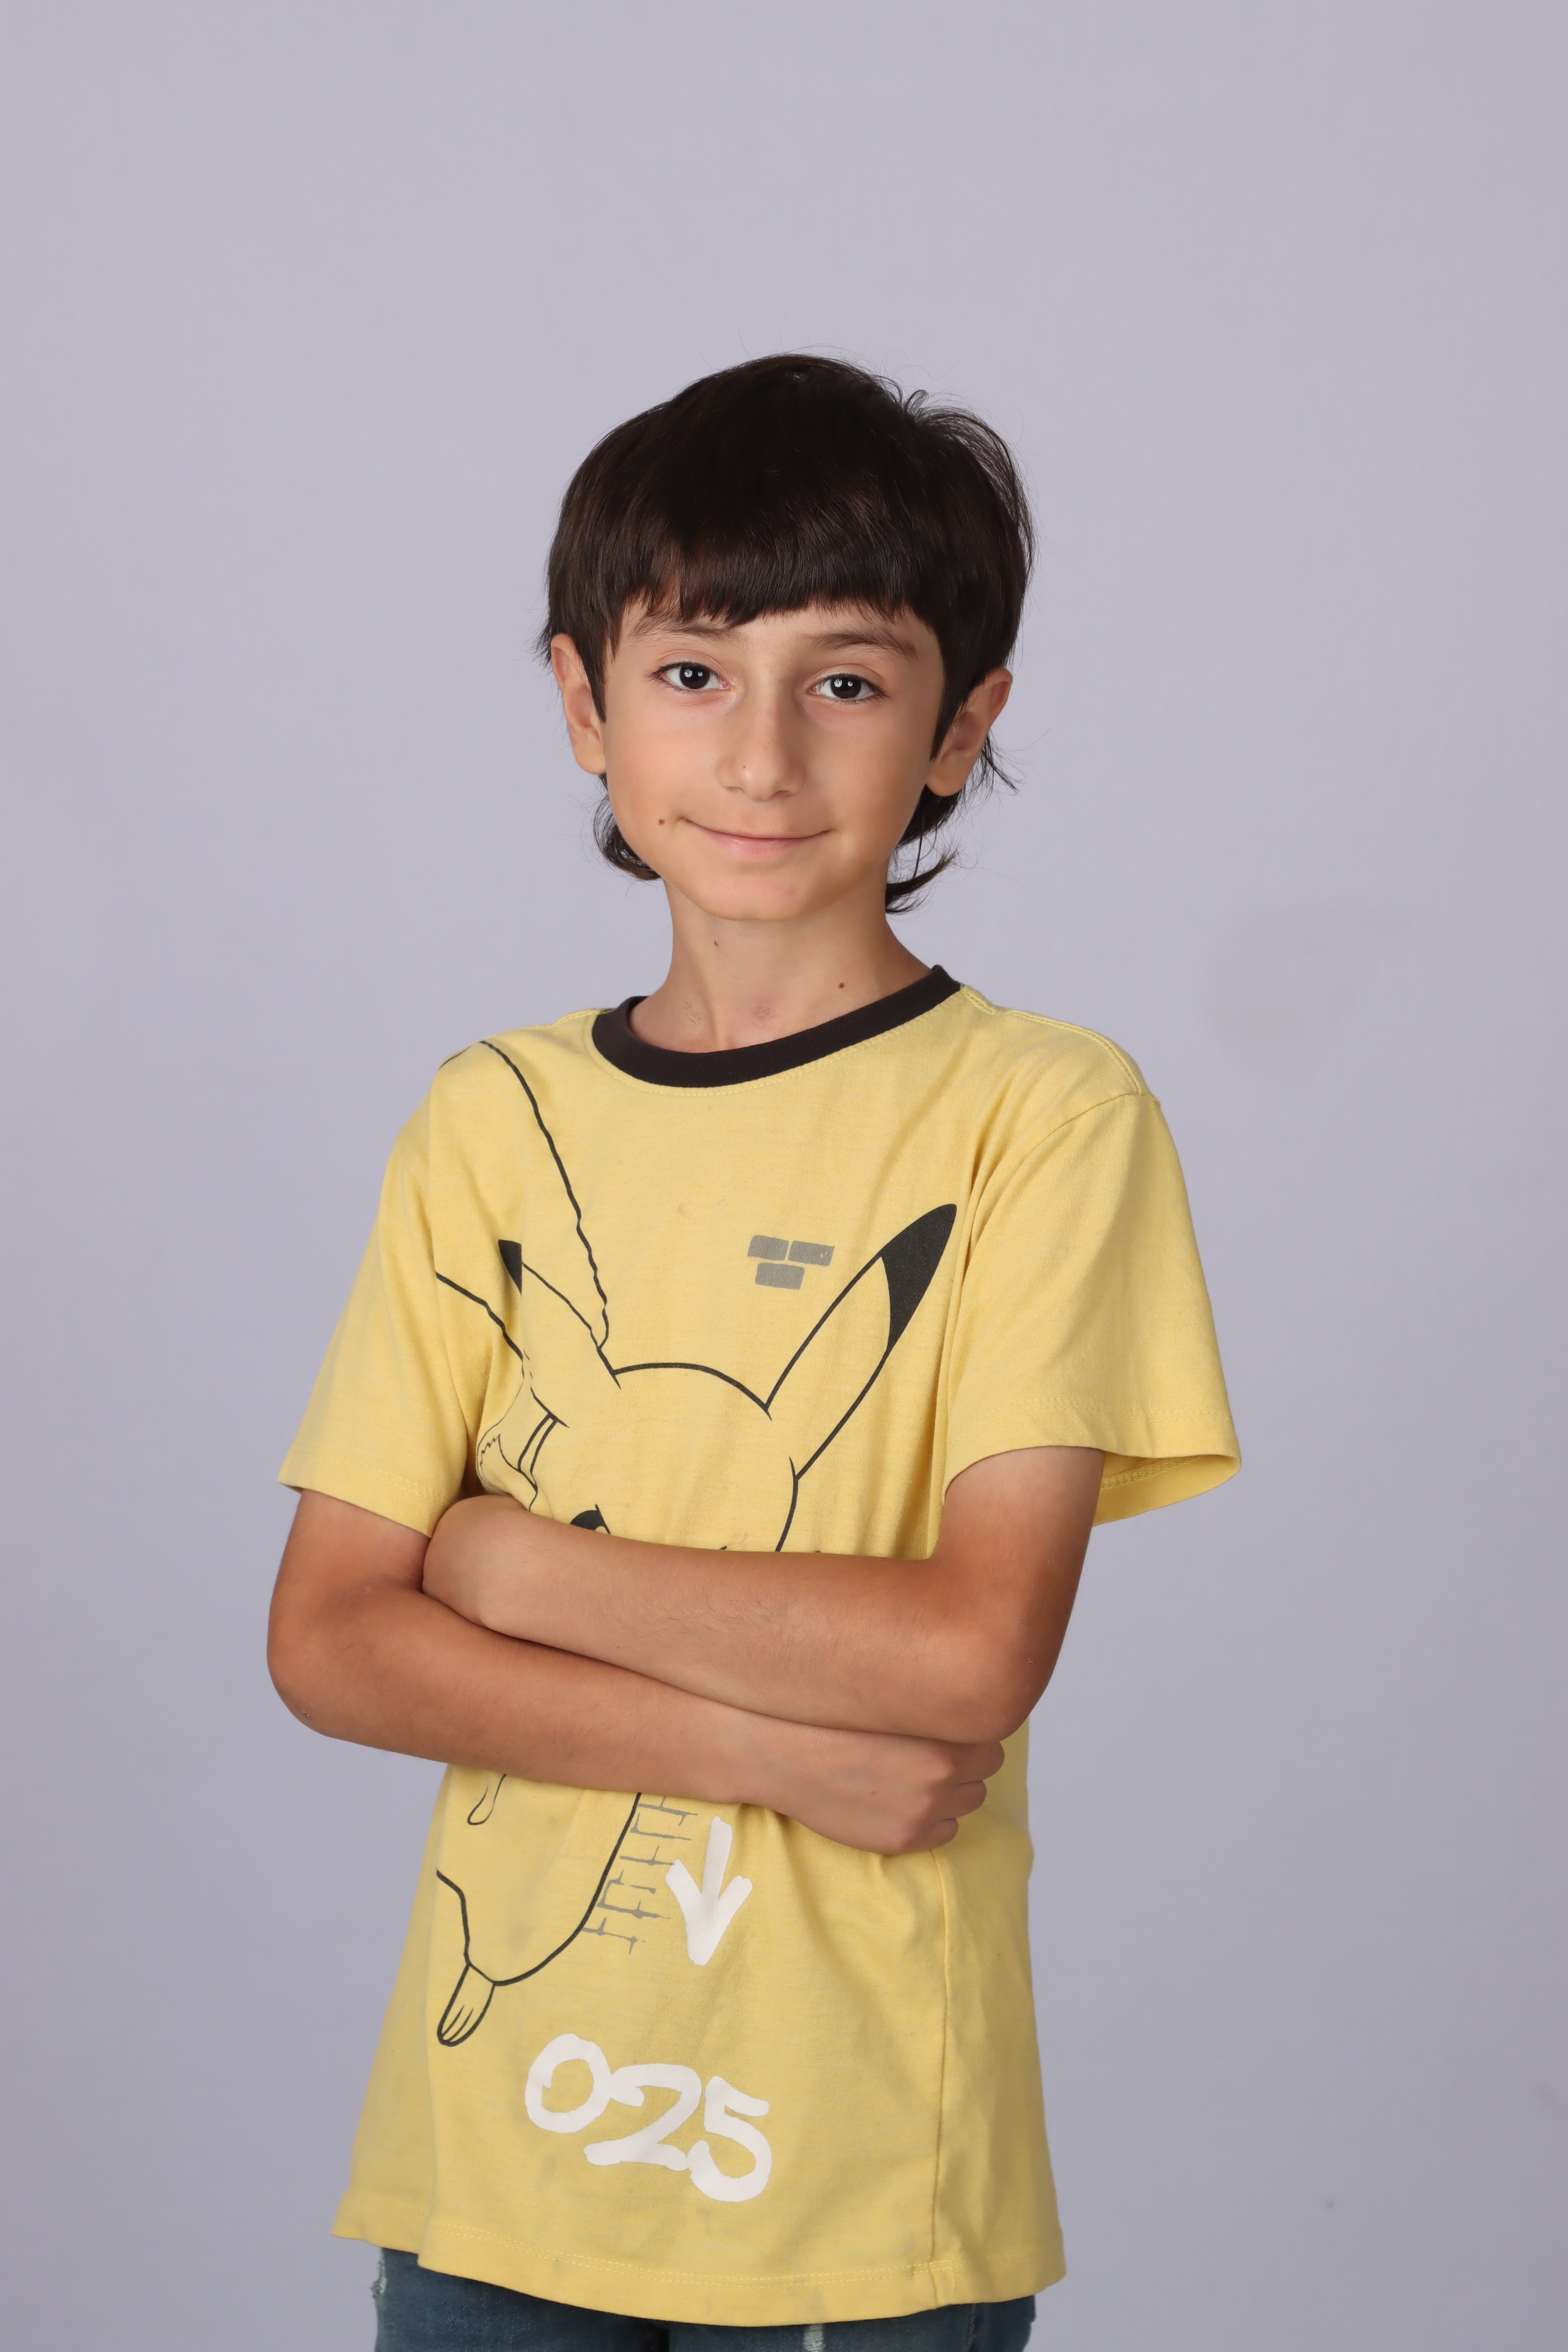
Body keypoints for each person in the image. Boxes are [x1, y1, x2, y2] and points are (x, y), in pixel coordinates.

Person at [269, 353, 1239, 2352]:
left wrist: (510, 1565)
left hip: (861, 2187)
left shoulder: (1039, 1115)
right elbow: (332, 1640)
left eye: (848, 681)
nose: (764, 755)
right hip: (493, 2163)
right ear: (583, 704)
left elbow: (967, 1657)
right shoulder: (493, 1121)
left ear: (961, 728)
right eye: (694, 672)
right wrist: (771, 1750)